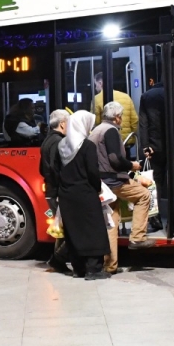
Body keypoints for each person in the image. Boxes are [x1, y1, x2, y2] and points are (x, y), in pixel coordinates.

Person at [90, 100, 152, 274]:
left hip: (102, 183)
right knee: (144, 195)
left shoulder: (96, 130)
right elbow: (115, 160)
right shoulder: (110, 131)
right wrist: (132, 165)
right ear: (117, 118)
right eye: (122, 116)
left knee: (111, 222)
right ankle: (137, 237)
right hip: (114, 181)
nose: (122, 119)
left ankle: (110, 265)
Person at [55, 111, 110, 280]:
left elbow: (56, 171)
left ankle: (79, 269)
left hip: (66, 195)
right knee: (93, 231)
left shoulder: (62, 146)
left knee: (74, 232)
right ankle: (94, 270)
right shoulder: (87, 146)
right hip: (85, 194)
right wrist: (98, 187)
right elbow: (93, 172)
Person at [39, 109, 70, 272]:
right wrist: (61, 190)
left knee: (63, 228)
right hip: (57, 191)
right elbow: (56, 168)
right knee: (71, 229)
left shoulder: (46, 140)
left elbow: (42, 169)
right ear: (63, 123)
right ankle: (57, 258)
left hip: (50, 190)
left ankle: (58, 260)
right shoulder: (59, 142)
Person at [138, 82, 167, 227]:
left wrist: (145, 146)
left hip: (155, 147)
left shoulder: (146, 96)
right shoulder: (170, 92)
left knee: (155, 183)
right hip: (173, 146)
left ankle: (155, 217)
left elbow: (143, 124)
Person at [92, 72, 138, 145]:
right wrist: (128, 135)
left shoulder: (96, 99)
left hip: (107, 141)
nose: (95, 87)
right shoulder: (126, 96)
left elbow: (95, 123)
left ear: (100, 83)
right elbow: (134, 121)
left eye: (95, 84)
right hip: (126, 140)